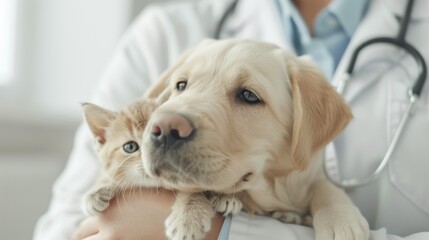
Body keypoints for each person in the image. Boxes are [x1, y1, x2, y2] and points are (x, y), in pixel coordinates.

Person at [34, 0, 429, 239]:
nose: (171, 119)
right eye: (180, 86)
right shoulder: (164, 32)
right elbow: (65, 226)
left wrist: (226, 235)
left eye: (247, 95)